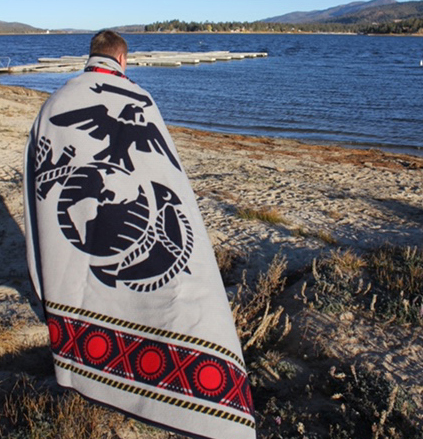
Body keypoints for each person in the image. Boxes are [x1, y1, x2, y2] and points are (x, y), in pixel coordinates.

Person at [24, 31, 256, 439]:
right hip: (111, 208)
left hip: (95, 213)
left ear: (92, 54)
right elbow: (167, 169)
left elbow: (38, 180)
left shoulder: (56, 100)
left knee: (80, 269)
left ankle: (83, 350)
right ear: (123, 59)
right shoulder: (141, 100)